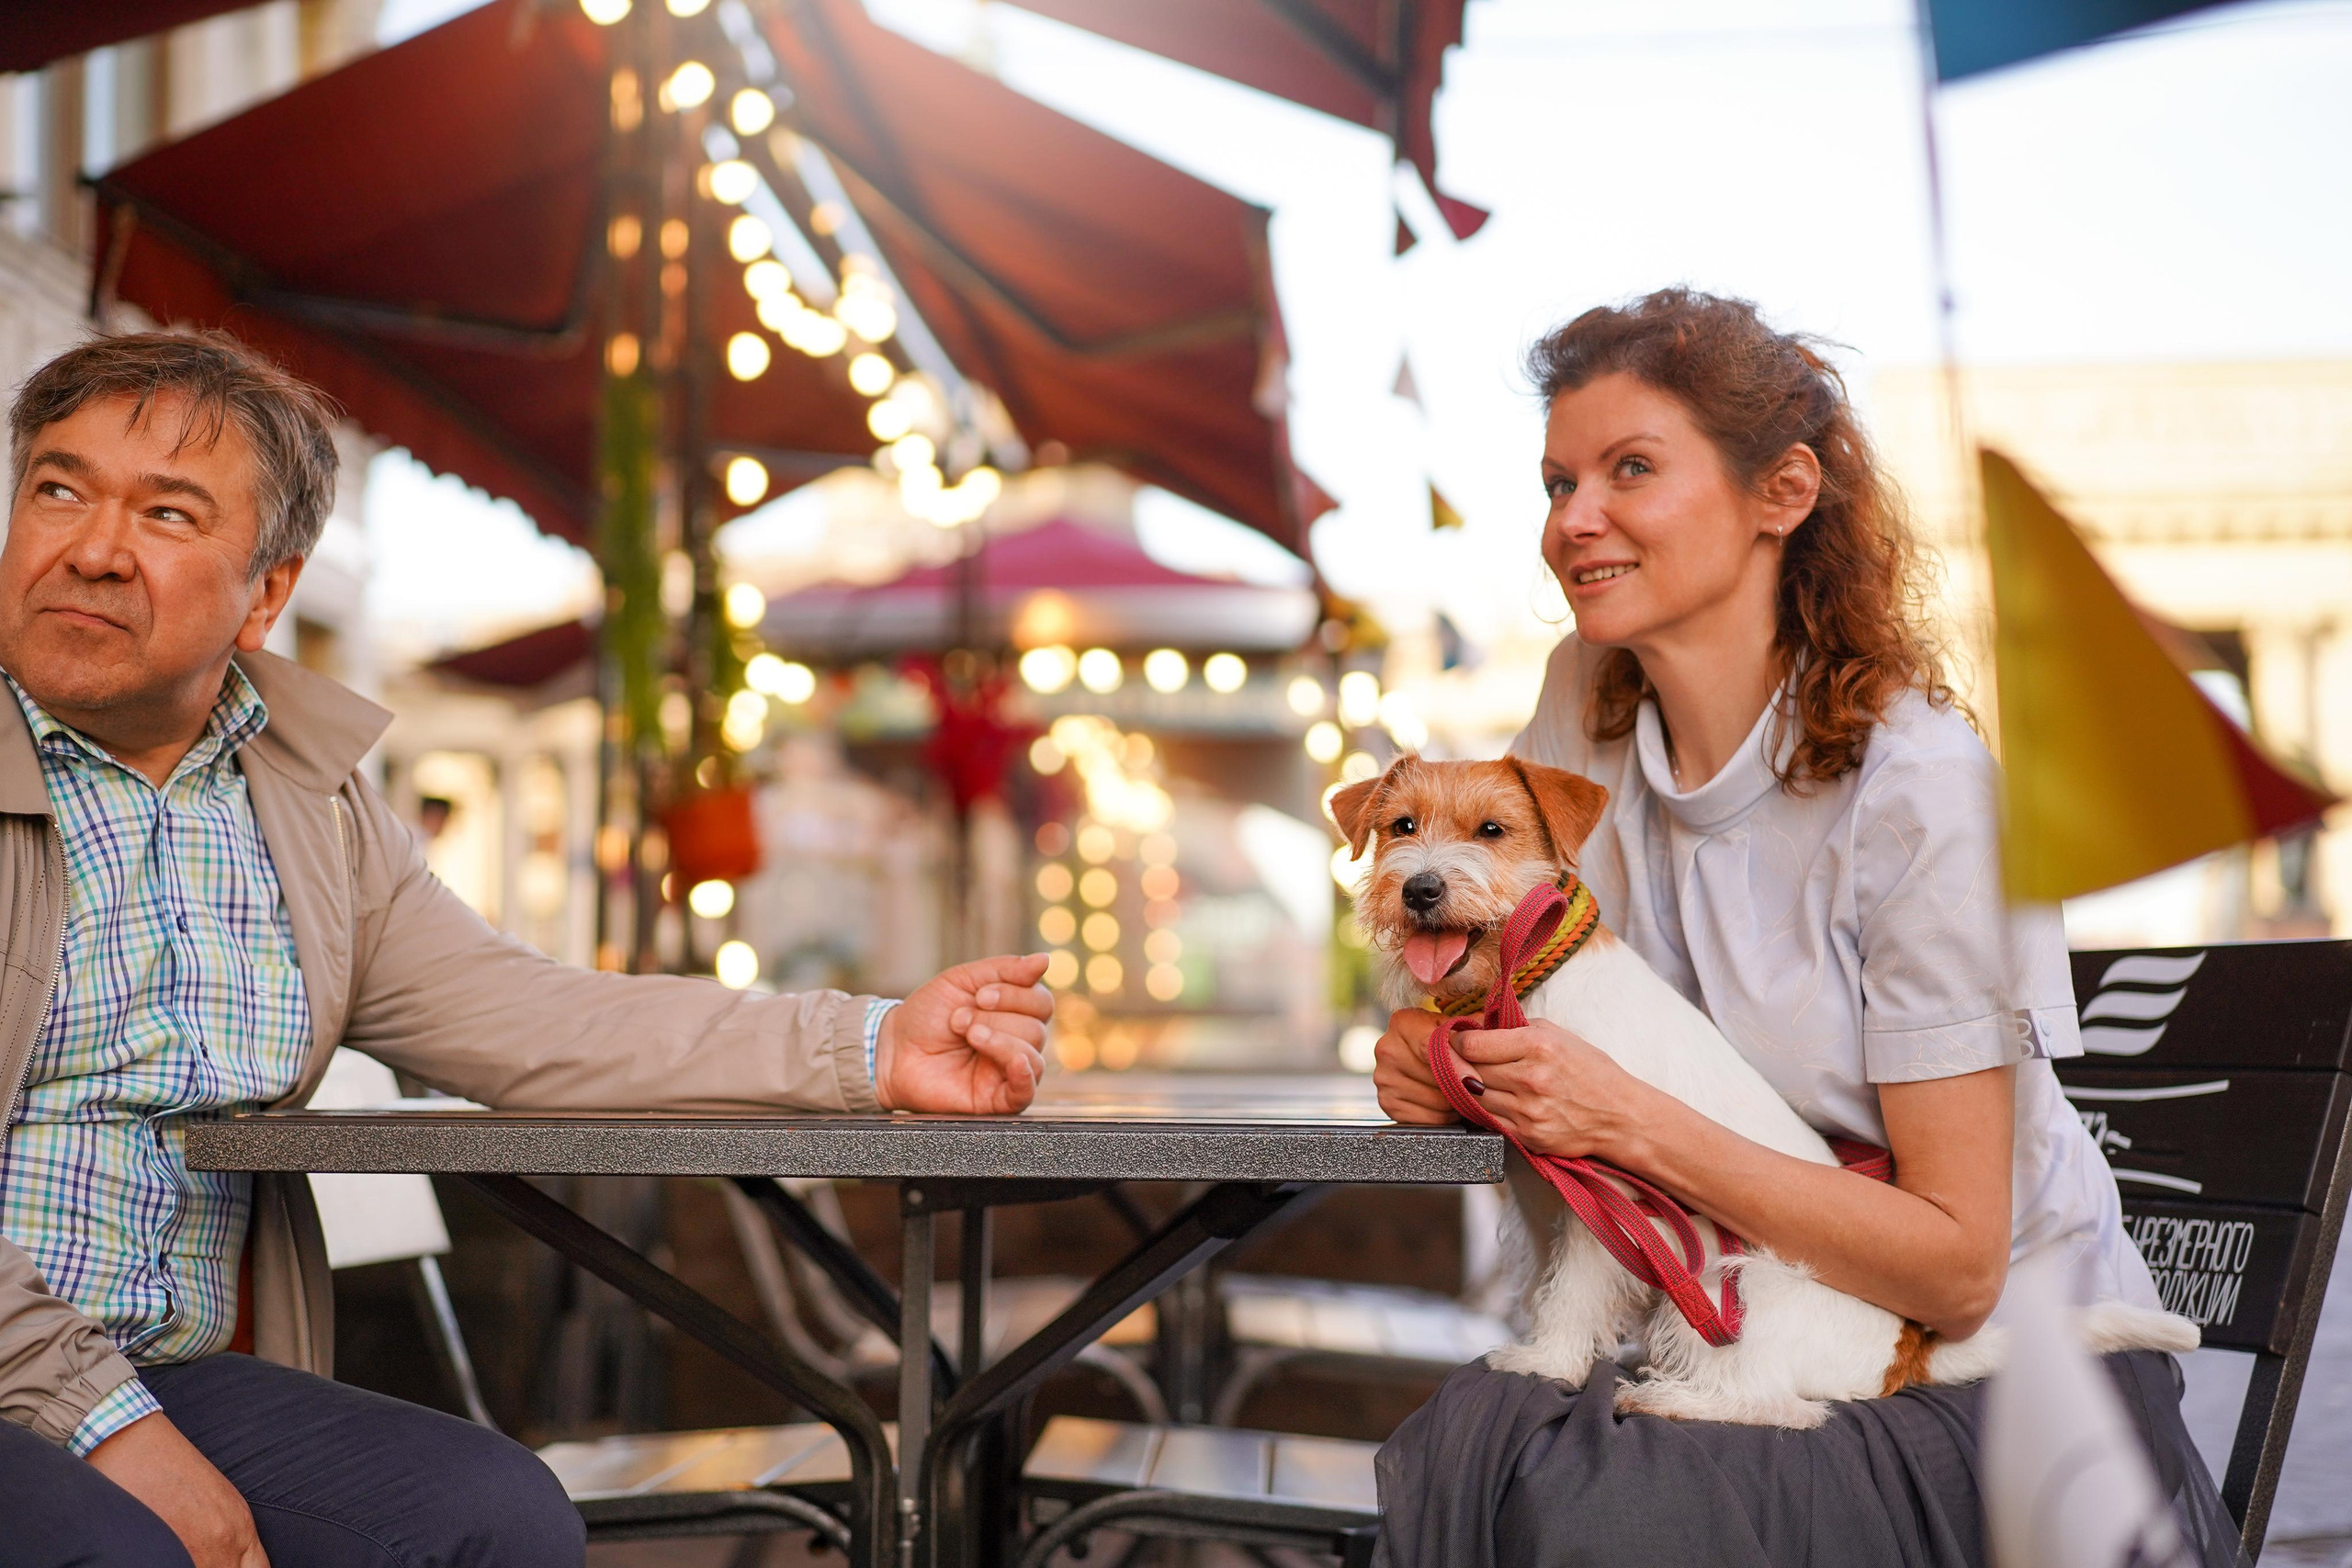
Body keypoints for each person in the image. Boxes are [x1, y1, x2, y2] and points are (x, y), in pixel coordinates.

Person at [0, 332, 1054, 1568]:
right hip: (44, 1377)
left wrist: (875, 1043)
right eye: (57, 488)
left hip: (159, 1369)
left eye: (168, 514)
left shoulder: (307, 814)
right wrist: (104, 1427)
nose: (93, 548)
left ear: (268, 592)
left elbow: (537, 1019)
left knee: (496, 1522)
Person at [1368, 290, 2244, 1568]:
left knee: (1603, 1508)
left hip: (1991, 1382)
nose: (1573, 520)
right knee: (1499, 1439)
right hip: (1751, 1315)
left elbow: (1955, 1272)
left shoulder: (1920, 789)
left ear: (1781, 493)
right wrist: (1434, 1057)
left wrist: (1622, 1117)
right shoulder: (1582, 702)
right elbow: (1515, 979)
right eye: (1559, 479)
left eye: (1631, 470)